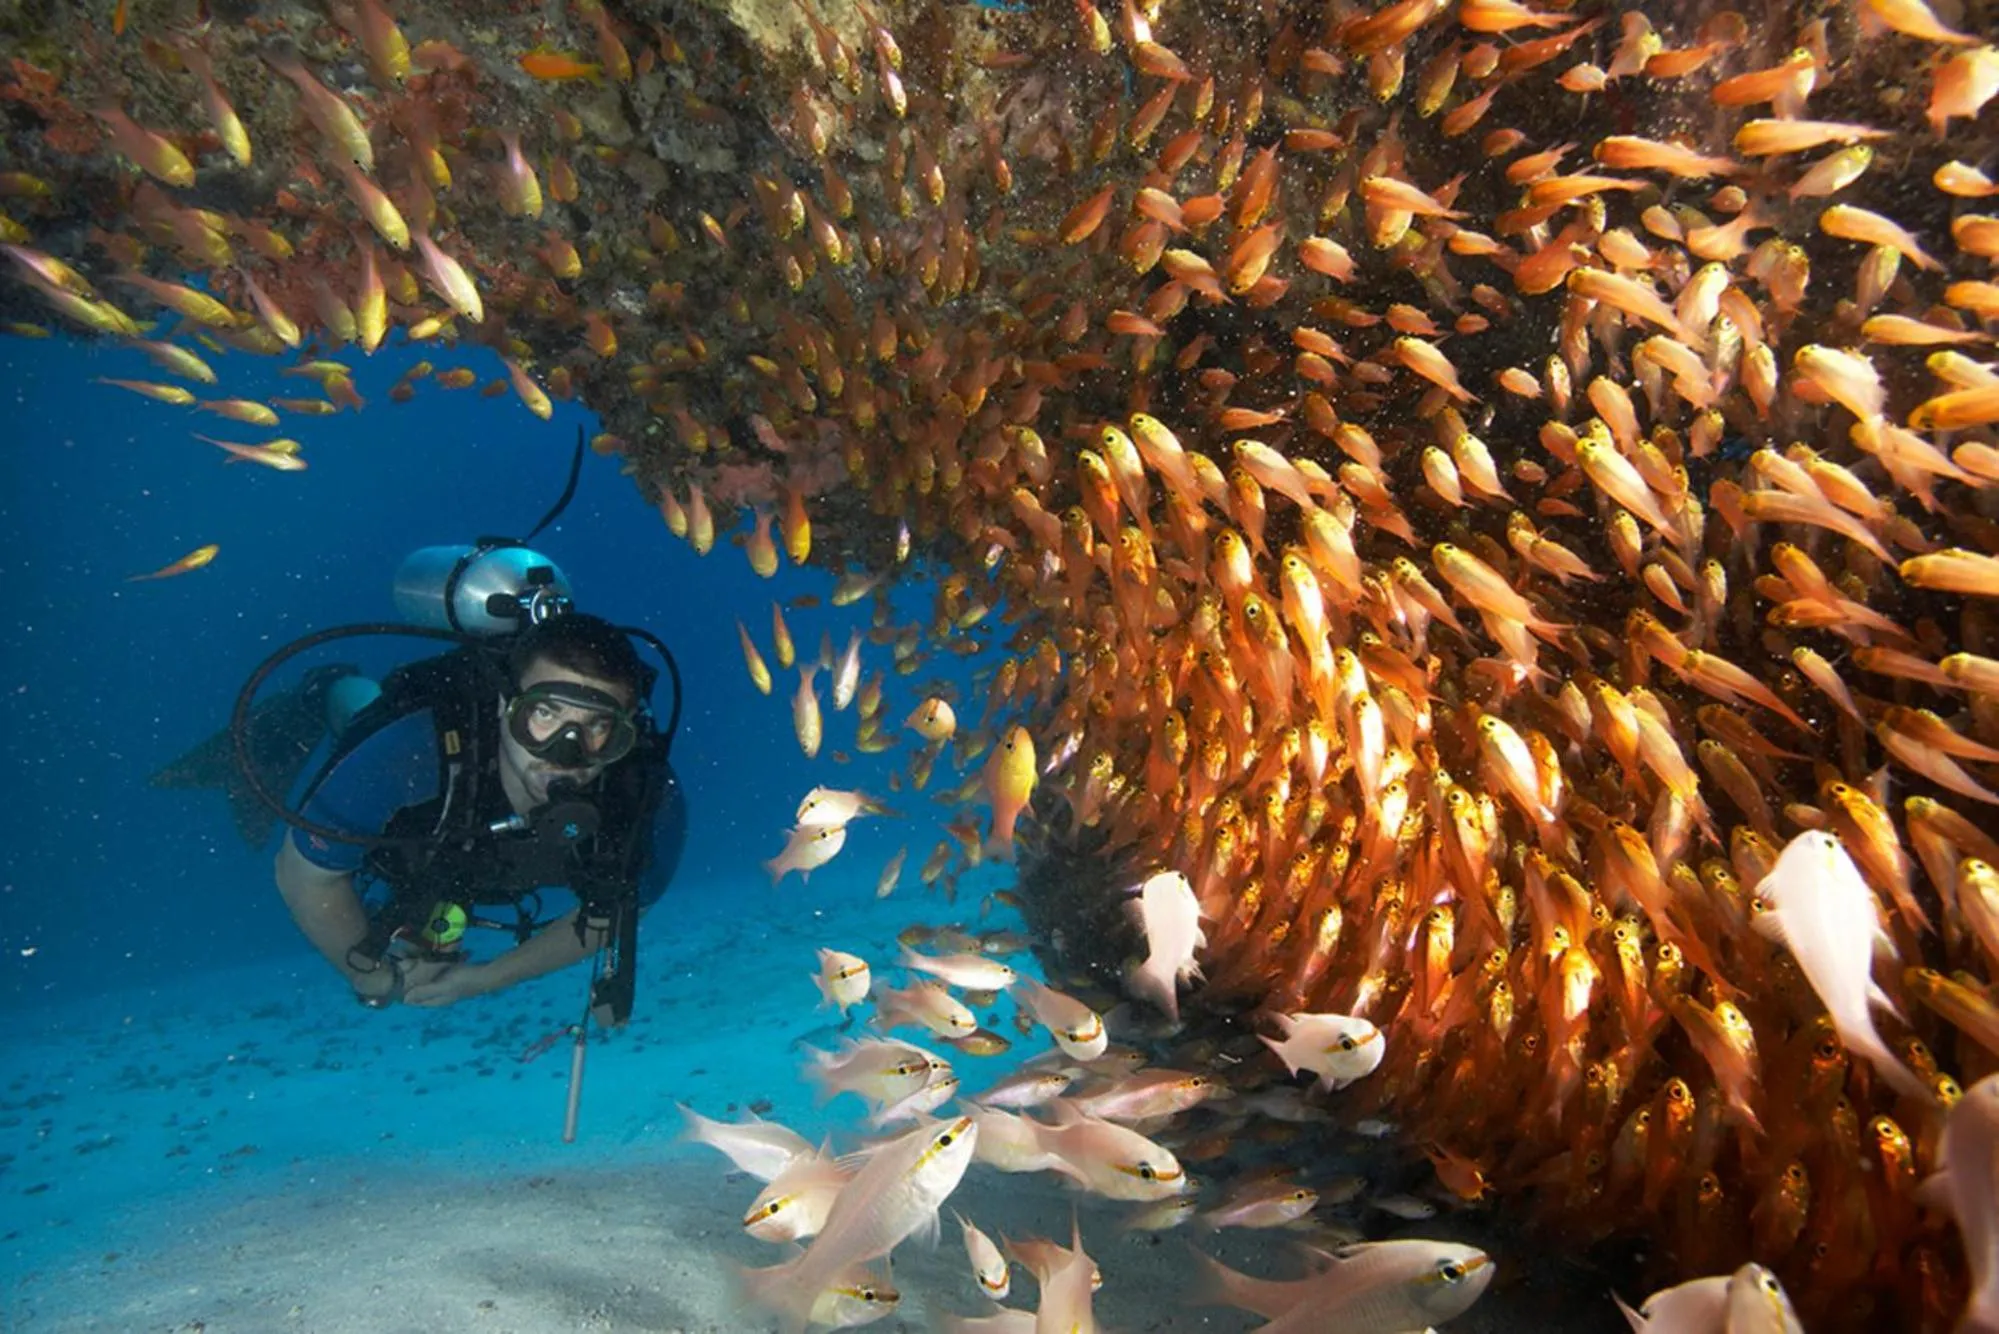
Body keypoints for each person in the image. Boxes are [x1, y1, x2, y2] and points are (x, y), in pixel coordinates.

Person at [273, 613, 686, 1021]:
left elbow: (626, 904)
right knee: (359, 712)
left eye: (597, 726)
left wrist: (486, 978)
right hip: (420, 814)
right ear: (506, 705)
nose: (566, 753)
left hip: (459, 855)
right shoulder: (406, 753)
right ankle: (329, 685)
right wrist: (375, 980)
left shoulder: (642, 795)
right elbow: (304, 875)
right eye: (546, 714)